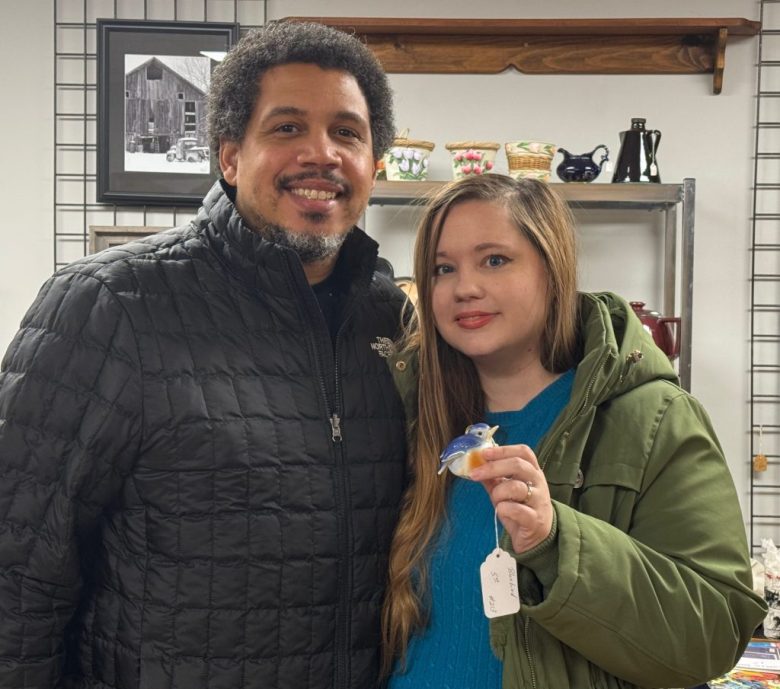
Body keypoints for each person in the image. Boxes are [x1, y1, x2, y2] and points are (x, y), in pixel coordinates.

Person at [0, 20, 408, 689]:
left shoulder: (390, 319)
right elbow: (16, 572)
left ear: (372, 163)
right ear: (228, 155)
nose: (321, 153)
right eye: (286, 128)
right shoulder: (110, 306)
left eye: (347, 132)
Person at [381, 174, 765, 689]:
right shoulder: (410, 415)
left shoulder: (653, 417)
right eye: (442, 268)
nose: (464, 287)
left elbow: (712, 632)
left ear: (551, 268)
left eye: (494, 259)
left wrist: (556, 543)